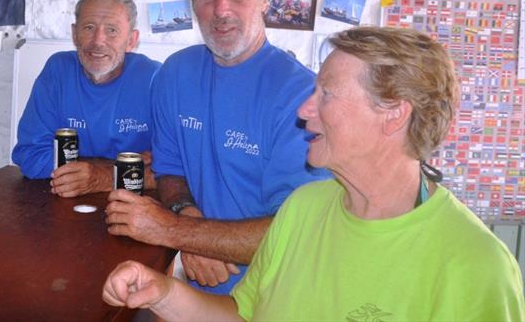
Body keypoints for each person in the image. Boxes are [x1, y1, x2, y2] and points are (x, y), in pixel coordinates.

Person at [102, 26, 525, 321]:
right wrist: (162, 292)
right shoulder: (302, 209)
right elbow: (242, 314)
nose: (305, 111)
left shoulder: (475, 265)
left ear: (394, 114)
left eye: (326, 94)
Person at [105, 0, 330, 294]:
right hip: (196, 282)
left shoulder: (302, 97)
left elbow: (298, 230)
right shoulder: (174, 74)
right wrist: (189, 218)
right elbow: (170, 170)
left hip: (280, 292)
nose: (221, 9)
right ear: (193, 5)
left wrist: (178, 232)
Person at [12, 0, 161, 198]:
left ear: (131, 40)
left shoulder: (155, 78)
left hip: (134, 207)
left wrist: (102, 176)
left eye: (112, 30)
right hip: (62, 206)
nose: (98, 41)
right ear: (74, 34)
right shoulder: (58, 71)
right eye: (89, 27)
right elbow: (30, 158)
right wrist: (117, 167)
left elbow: (174, 170)